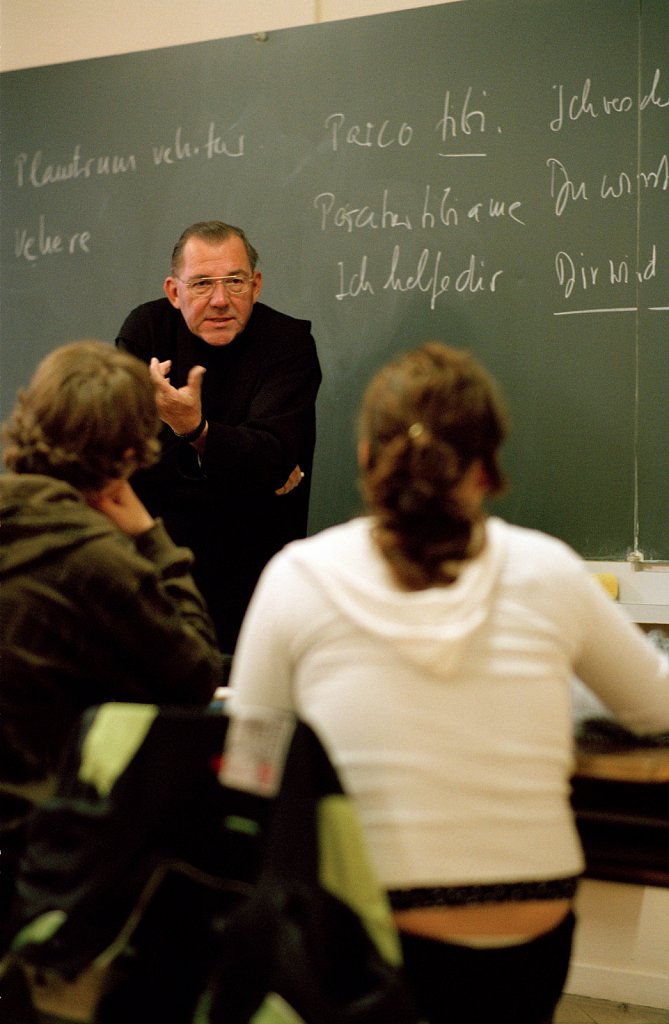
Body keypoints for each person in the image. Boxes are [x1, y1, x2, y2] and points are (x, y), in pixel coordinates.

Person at [228, 342, 669, 1024]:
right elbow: (658, 708)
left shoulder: (299, 575)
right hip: (531, 930)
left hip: (366, 938)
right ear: (488, 467)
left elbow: (248, 767)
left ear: (367, 459)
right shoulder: (549, 571)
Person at [0, 340, 226, 932]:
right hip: (33, 855)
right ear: (128, 454)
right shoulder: (97, 561)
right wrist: (151, 538)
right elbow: (197, 674)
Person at [115, 221, 322, 653]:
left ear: (257, 285)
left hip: (254, 580)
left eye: (235, 282)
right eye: (203, 284)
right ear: (175, 292)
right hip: (153, 573)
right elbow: (120, 453)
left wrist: (192, 429)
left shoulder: (288, 343)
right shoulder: (147, 331)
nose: (221, 300)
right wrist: (239, 458)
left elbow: (272, 456)